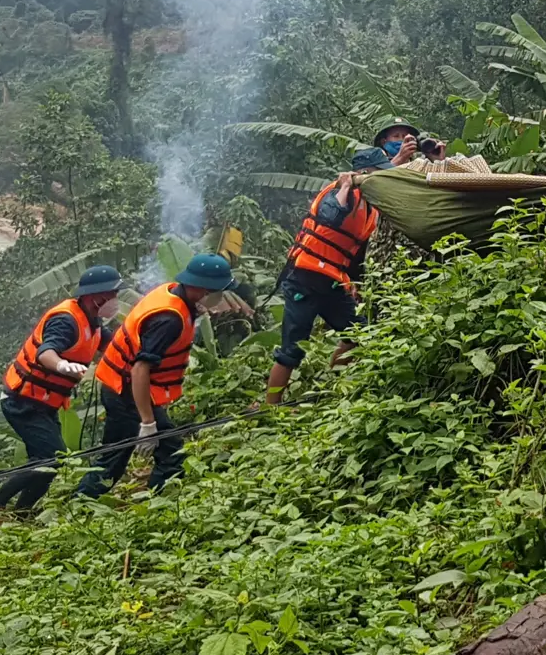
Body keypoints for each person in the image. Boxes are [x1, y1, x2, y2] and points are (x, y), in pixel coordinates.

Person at [77, 254, 235, 497]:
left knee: (113, 459)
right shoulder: (169, 319)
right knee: (169, 457)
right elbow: (140, 368)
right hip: (126, 391)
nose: (220, 296)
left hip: (120, 387)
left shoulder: (171, 292)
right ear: (200, 288)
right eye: (217, 291)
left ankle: (83, 501)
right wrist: (148, 423)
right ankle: (154, 508)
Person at [0, 265, 124, 515]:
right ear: (94, 296)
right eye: (111, 295)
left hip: (44, 403)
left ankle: (22, 513)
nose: (114, 300)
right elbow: (45, 352)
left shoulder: (94, 323)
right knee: (51, 458)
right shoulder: (66, 320)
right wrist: (61, 364)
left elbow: (115, 346)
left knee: (50, 460)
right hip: (22, 400)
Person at [265, 147, 392, 403]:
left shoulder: (369, 205)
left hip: (333, 283)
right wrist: (345, 186)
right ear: (364, 174)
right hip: (304, 279)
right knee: (292, 349)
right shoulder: (340, 192)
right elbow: (330, 216)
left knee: (358, 334)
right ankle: (270, 408)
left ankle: (334, 389)